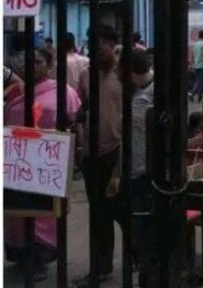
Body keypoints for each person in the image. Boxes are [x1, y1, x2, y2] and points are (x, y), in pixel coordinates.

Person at [4, 48, 82, 281]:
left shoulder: (63, 92)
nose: (34, 66)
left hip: (48, 164)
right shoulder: (16, 90)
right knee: (18, 214)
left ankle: (39, 262)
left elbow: (73, 122)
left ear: (49, 65)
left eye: (38, 62)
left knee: (44, 215)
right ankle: (21, 257)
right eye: (30, 61)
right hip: (18, 163)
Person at [74, 25, 123, 286]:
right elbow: (83, 108)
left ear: (113, 45)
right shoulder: (85, 75)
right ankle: (101, 266)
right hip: (92, 154)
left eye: (101, 45)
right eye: (92, 45)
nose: (95, 51)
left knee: (123, 211)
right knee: (98, 214)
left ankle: (138, 257)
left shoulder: (124, 75)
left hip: (118, 151)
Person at [125, 49, 154, 286]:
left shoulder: (152, 93)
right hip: (136, 166)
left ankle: (148, 269)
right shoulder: (138, 92)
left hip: (147, 167)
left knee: (144, 221)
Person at [62, 32, 89, 99]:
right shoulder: (86, 61)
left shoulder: (59, 63)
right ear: (73, 43)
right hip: (84, 99)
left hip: (67, 99)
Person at [191, 30, 203, 102]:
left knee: (198, 80)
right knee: (201, 80)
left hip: (196, 65)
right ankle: (195, 93)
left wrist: (192, 64)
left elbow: (192, 55)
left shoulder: (195, 44)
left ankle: (195, 94)